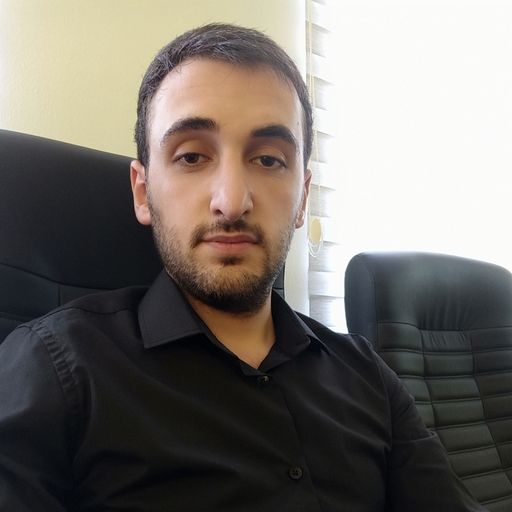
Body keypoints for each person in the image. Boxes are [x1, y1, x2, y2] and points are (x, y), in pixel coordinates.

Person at [0, 23, 487, 511]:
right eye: (192, 156)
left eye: (269, 160)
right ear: (143, 192)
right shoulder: (53, 369)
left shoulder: (367, 376)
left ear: (303, 199)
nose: (232, 202)